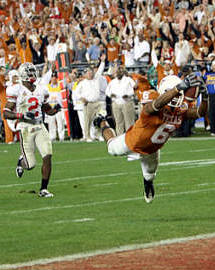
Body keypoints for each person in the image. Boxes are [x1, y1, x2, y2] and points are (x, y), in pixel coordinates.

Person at [94, 73, 208, 203]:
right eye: (174, 92)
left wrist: (205, 96)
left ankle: (147, 184)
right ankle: (101, 121)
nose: (177, 96)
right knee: (111, 147)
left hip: (153, 149)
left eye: (179, 93)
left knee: (150, 175)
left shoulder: (180, 111)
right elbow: (156, 104)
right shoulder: (153, 103)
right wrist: (177, 89)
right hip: (132, 142)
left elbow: (200, 112)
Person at [3, 62, 61, 198]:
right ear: (23, 75)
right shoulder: (16, 90)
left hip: (40, 126)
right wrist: (21, 115)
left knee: (47, 156)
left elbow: (48, 110)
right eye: (29, 72)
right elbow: (5, 113)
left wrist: (56, 109)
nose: (32, 75)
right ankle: (21, 162)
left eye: (32, 71)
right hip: (26, 128)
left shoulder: (41, 90)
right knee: (30, 165)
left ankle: (43, 189)